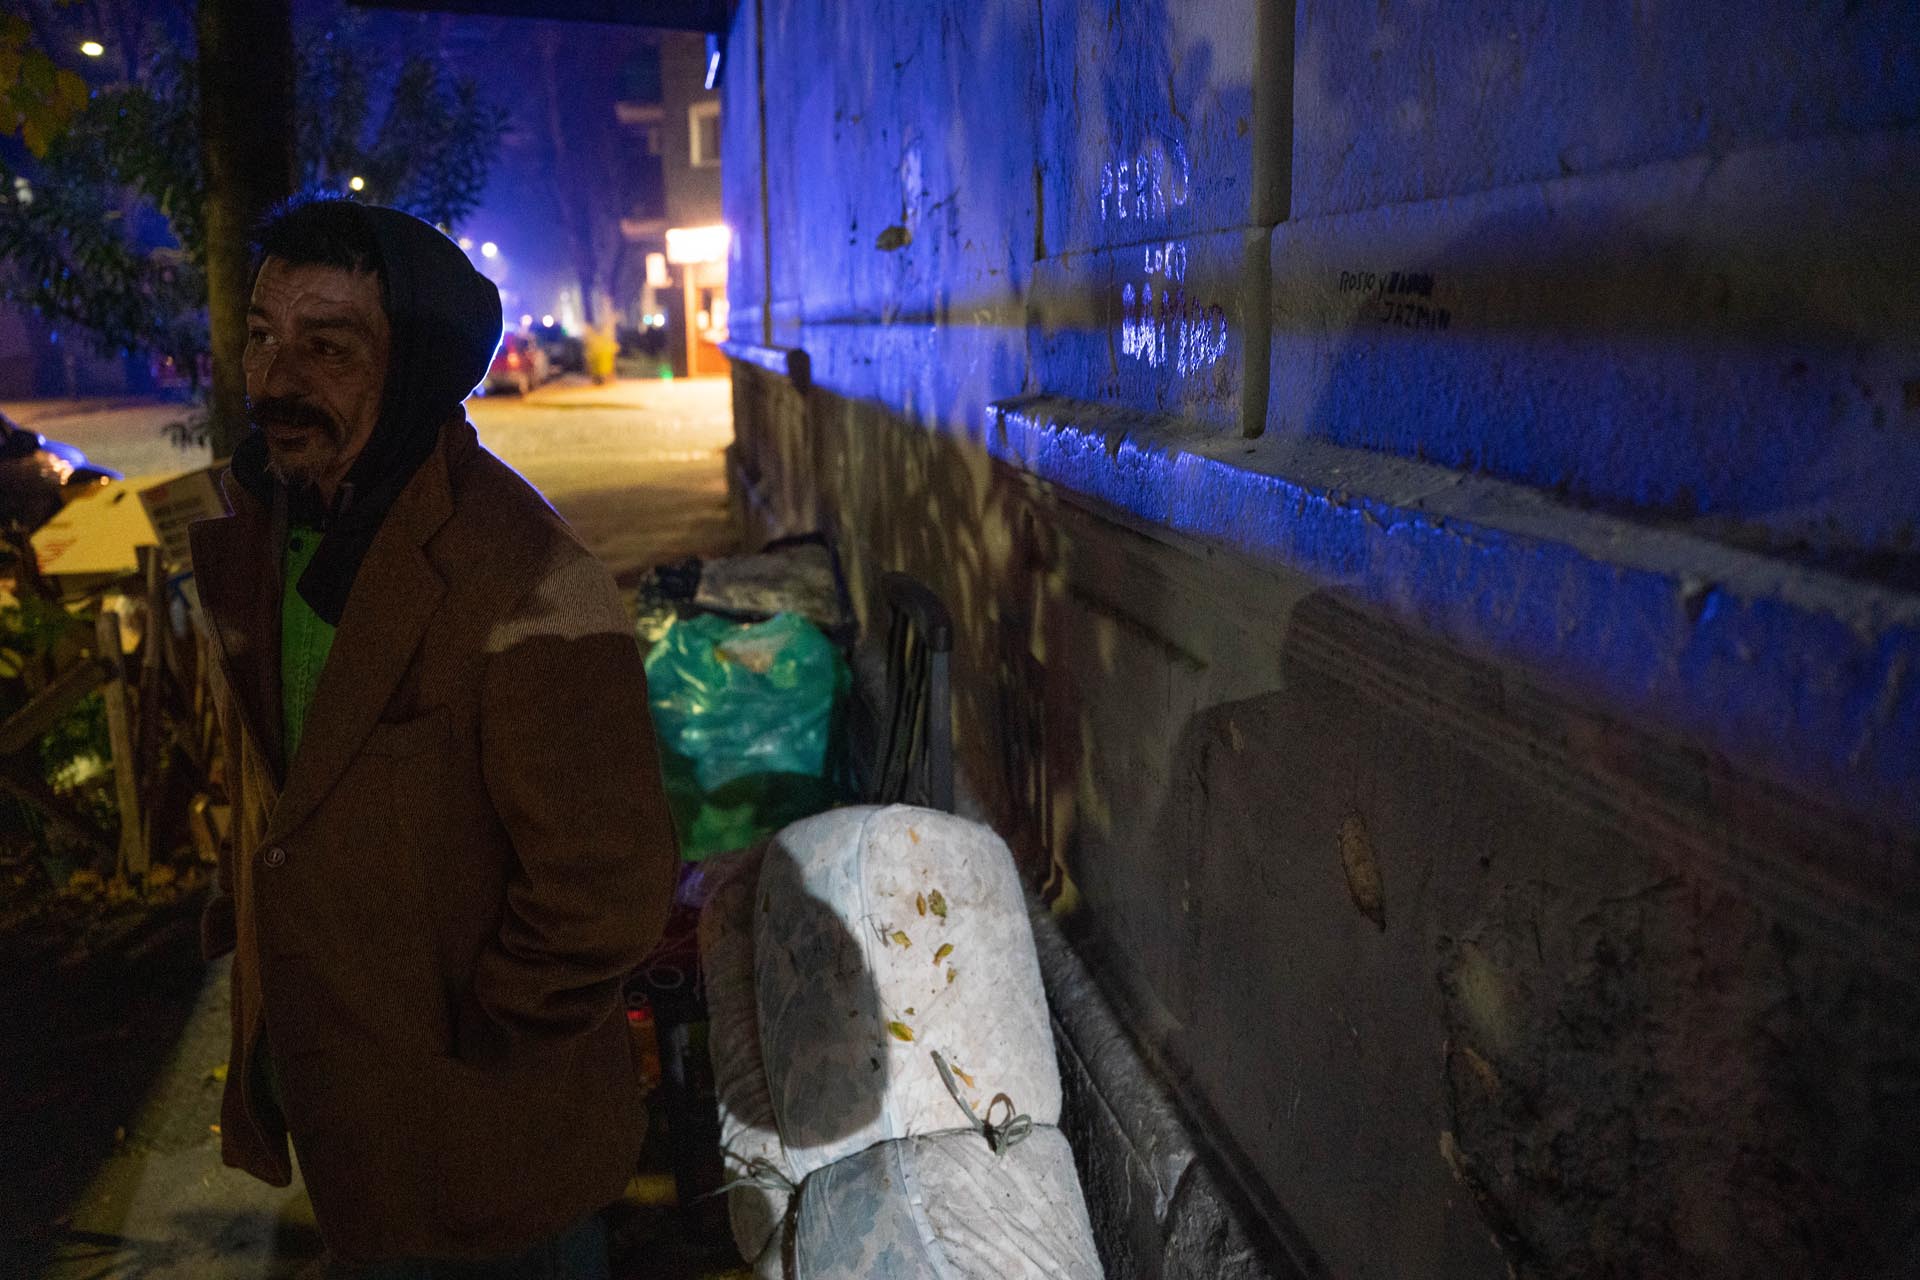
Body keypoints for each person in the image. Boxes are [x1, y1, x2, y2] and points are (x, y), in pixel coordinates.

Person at [189, 196, 678, 1276]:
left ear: (409, 369)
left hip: (489, 1169)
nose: (277, 378)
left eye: (329, 347)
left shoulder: (525, 578)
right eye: (264, 335)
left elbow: (609, 885)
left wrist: (477, 1041)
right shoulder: (268, 525)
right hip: (349, 1136)